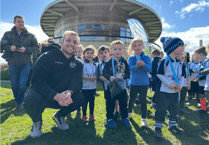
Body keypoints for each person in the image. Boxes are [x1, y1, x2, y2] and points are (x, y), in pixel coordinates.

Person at [23, 31, 84, 138]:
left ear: (77, 46)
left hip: (64, 99)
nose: (71, 44)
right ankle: (37, 122)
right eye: (68, 40)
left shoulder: (78, 64)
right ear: (61, 42)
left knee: (81, 97)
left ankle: (59, 116)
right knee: (30, 99)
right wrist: (55, 95)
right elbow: (37, 81)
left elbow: (77, 82)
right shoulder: (46, 57)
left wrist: (69, 92)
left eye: (75, 42)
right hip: (43, 96)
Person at [1, 15, 39, 110]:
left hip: (26, 63)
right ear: (14, 22)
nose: (21, 23)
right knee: (14, 84)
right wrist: (10, 48)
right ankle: (18, 99)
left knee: (22, 83)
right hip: (12, 63)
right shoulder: (7, 34)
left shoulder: (31, 36)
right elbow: (1, 45)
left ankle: (19, 102)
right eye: (19, 21)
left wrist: (25, 49)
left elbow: (36, 48)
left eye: (22, 21)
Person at [154, 37, 185, 138]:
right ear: (172, 47)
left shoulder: (180, 63)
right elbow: (159, 74)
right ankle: (158, 127)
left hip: (175, 92)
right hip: (164, 91)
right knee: (161, 109)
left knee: (174, 109)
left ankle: (172, 126)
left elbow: (183, 76)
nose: (183, 48)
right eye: (181, 46)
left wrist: (181, 84)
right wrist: (169, 84)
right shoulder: (165, 61)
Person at [103, 40, 131, 129]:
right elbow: (104, 73)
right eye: (115, 49)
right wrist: (109, 77)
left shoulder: (124, 61)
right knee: (110, 104)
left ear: (123, 51)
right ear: (111, 51)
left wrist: (123, 76)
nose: (117, 51)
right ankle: (110, 118)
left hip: (122, 87)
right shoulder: (108, 62)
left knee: (123, 103)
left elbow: (128, 73)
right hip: (111, 88)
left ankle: (125, 118)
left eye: (119, 49)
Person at [127, 38, 152, 128]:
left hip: (144, 84)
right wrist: (136, 66)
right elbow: (129, 69)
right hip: (133, 83)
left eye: (139, 45)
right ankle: (129, 114)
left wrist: (143, 65)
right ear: (132, 48)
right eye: (135, 46)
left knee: (143, 100)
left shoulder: (147, 57)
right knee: (131, 100)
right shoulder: (131, 58)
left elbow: (150, 69)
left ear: (143, 47)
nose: (137, 47)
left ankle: (143, 119)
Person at [81, 45, 98, 122]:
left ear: (94, 55)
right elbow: (79, 75)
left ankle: (91, 114)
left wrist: (95, 77)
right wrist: (88, 78)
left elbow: (98, 74)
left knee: (92, 102)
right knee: (84, 102)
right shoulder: (81, 64)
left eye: (91, 53)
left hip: (92, 87)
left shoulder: (95, 65)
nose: (89, 55)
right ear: (84, 54)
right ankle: (84, 115)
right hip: (84, 87)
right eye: (87, 53)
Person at [97, 45, 110, 119]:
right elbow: (99, 75)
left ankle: (117, 111)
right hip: (106, 85)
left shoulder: (113, 62)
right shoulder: (99, 65)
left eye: (105, 52)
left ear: (109, 53)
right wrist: (106, 80)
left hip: (114, 85)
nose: (104, 54)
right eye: (101, 53)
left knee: (116, 99)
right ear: (99, 55)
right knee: (107, 99)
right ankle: (108, 113)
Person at [193, 46, 208, 113]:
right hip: (201, 83)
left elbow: (206, 73)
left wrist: (199, 78)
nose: (195, 58)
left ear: (201, 54)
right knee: (201, 96)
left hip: (206, 83)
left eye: (196, 56)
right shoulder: (200, 63)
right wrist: (197, 78)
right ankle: (203, 108)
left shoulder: (207, 62)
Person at [76, 44, 84, 114]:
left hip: (81, 80)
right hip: (74, 79)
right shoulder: (75, 60)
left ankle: (78, 108)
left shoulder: (83, 60)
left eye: (81, 52)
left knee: (79, 94)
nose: (80, 53)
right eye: (78, 51)